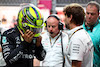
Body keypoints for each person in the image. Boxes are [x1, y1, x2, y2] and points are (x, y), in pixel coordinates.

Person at [82, 1, 100, 67]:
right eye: (87, 13)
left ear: (98, 14)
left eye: (92, 14)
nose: (89, 16)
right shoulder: (79, 27)